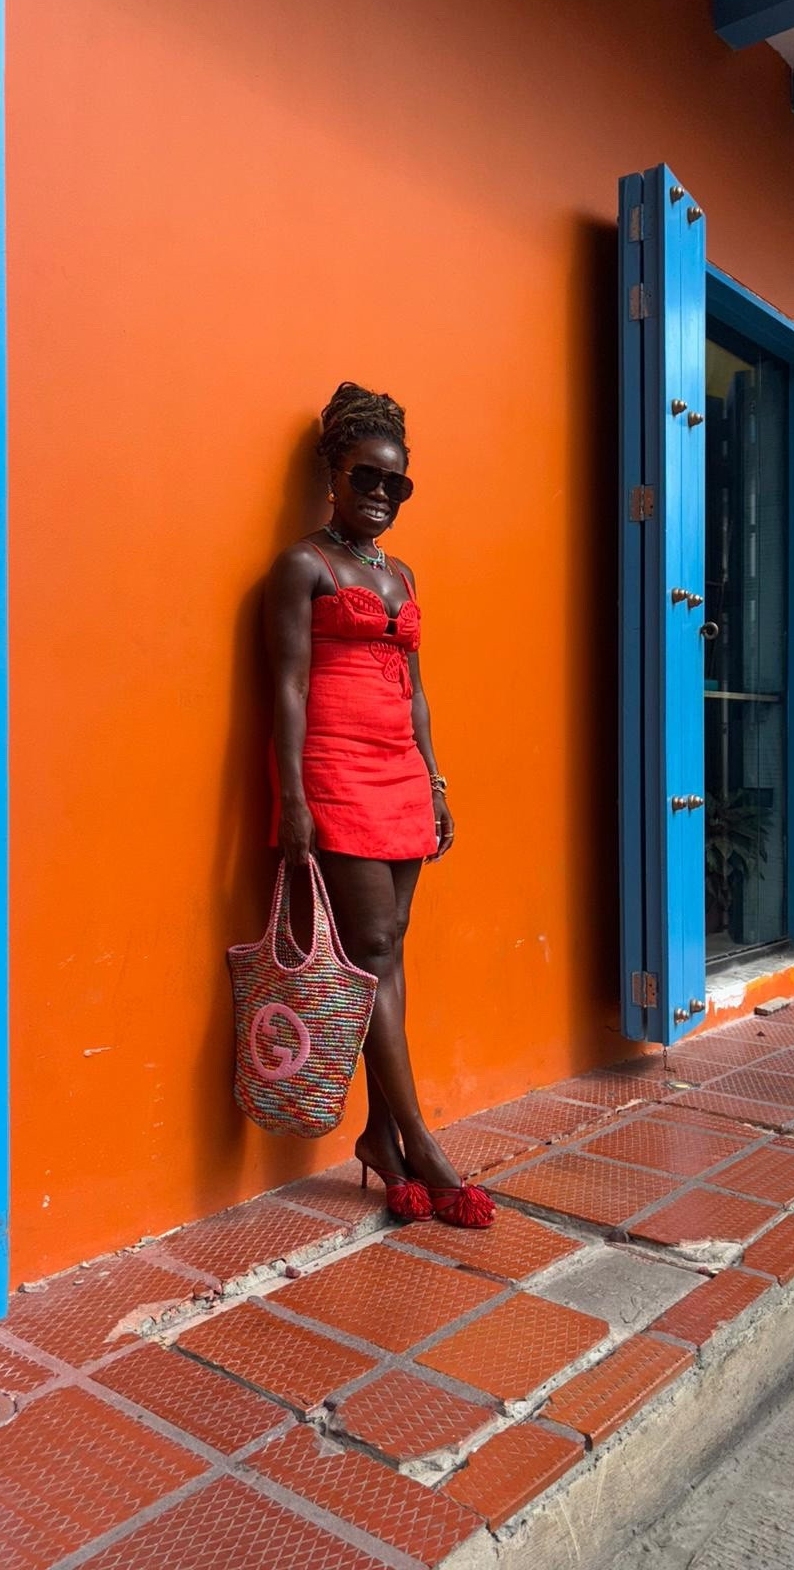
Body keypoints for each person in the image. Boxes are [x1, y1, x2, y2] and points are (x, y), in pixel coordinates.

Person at [265, 382, 495, 1229]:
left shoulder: (399, 573)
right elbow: (286, 687)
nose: (381, 495)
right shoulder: (301, 566)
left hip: (400, 774)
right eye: (367, 476)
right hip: (333, 770)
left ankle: (380, 1140)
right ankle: (422, 1145)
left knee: (388, 952)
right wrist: (292, 797)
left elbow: (419, 690)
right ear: (334, 470)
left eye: (397, 484)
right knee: (371, 949)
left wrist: (435, 783)